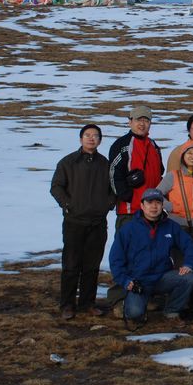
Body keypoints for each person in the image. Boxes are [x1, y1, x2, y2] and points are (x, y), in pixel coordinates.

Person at [50, 123, 116, 319]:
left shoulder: (105, 164)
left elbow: (114, 190)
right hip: (74, 221)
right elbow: (56, 187)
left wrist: (107, 205)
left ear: (100, 140)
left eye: (95, 135)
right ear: (81, 139)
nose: (91, 138)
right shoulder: (68, 162)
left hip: (97, 222)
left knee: (92, 265)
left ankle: (88, 302)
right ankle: (67, 305)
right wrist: (68, 205)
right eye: (87, 135)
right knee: (71, 265)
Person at [109, 188, 193, 328]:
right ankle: (133, 303)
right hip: (139, 282)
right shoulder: (129, 228)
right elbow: (115, 259)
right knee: (134, 313)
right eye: (149, 202)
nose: (154, 206)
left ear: (162, 206)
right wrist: (126, 281)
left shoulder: (171, 227)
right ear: (142, 206)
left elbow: (189, 245)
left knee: (188, 278)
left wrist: (189, 264)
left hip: (162, 278)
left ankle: (171, 312)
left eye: (158, 202)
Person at [157, 141, 193, 306]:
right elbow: (156, 194)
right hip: (177, 225)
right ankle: (177, 305)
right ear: (183, 156)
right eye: (189, 153)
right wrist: (171, 206)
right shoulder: (173, 175)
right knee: (181, 266)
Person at [108, 105, 164, 230]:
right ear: (130, 122)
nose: (142, 124)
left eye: (146, 120)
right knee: (127, 247)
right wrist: (128, 196)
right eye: (138, 120)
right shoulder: (122, 145)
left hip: (153, 210)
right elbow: (113, 174)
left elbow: (160, 171)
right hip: (130, 211)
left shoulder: (153, 145)